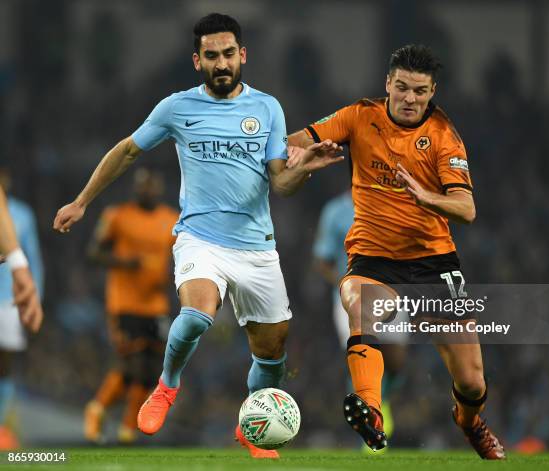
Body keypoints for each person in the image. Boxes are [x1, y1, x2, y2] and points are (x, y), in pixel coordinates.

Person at [53, 13, 341, 459]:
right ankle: (166, 387)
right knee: (196, 314)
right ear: (197, 60)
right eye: (211, 56)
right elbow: (128, 150)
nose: (221, 63)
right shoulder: (176, 108)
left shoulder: (268, 108)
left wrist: (302, 168)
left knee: (273, 351)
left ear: (242, 55)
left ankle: (251, 426)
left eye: (228, 54)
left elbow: (280, 184)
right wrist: (82, 201)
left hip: (257, 247)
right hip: (199, 239)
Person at [288, 44, 505, 459]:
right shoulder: (359, 116)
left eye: (420, 91)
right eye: (402, 88)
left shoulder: (443, 136)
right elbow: (292, 141)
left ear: (432, 91)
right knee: (358, 301)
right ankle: (370, 409)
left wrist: (427, 197)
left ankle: (469, 422)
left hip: (433, 264)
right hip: (373, 259)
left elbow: (467, 208)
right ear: (388, 83)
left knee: (473, 383)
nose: (410, 99)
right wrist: (303, 156)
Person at [83, 168, 178, 444]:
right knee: (133, 363)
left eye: (153, 185)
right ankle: (107, 415)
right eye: (143, 185)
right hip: (124, 303)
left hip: (156, 304)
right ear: (135, 188)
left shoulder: (170, 219)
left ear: (159, 188)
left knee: (150, 369)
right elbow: (93, 253)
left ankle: (115, 419)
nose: (148, 190)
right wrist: (125, 263)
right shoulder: (117, 216)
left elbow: (179, 254)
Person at [312, 190, 405, 452]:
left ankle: (381, 400)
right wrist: (344, 286)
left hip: (389, 290)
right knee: (360, 354)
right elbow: (322, 260)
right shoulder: (335, 211)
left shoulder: (393, 201)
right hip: (352, 295)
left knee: (396, 360)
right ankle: (370, 423)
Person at [0, 169, 44, 450]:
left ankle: (2, 427)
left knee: (4, 366)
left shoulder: (21, 214)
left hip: (8, 301)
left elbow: (31, 257)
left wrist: (34, 295)